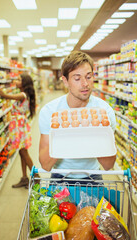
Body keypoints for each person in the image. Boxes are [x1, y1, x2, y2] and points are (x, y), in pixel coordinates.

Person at [38, 50, 116, 183]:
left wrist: (95, 130)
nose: (85, 83)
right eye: (77, 78)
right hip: (59, 176)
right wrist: (65, 131)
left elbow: (108, 165)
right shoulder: (50, 112)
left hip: (93, 176)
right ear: (65, 81)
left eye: (88, 76)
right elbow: (45, 165)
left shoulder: (104, 112)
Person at [0, 71, 37, 188]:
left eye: (18, 80)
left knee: (24, 153)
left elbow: (3, 95)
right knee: (22, 153)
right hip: (19, 125)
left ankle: (37, 179)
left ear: (24, 83)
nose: (15, 82)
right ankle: (24, 178)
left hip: (20, 126)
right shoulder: (23, 94)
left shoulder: (23, 95)